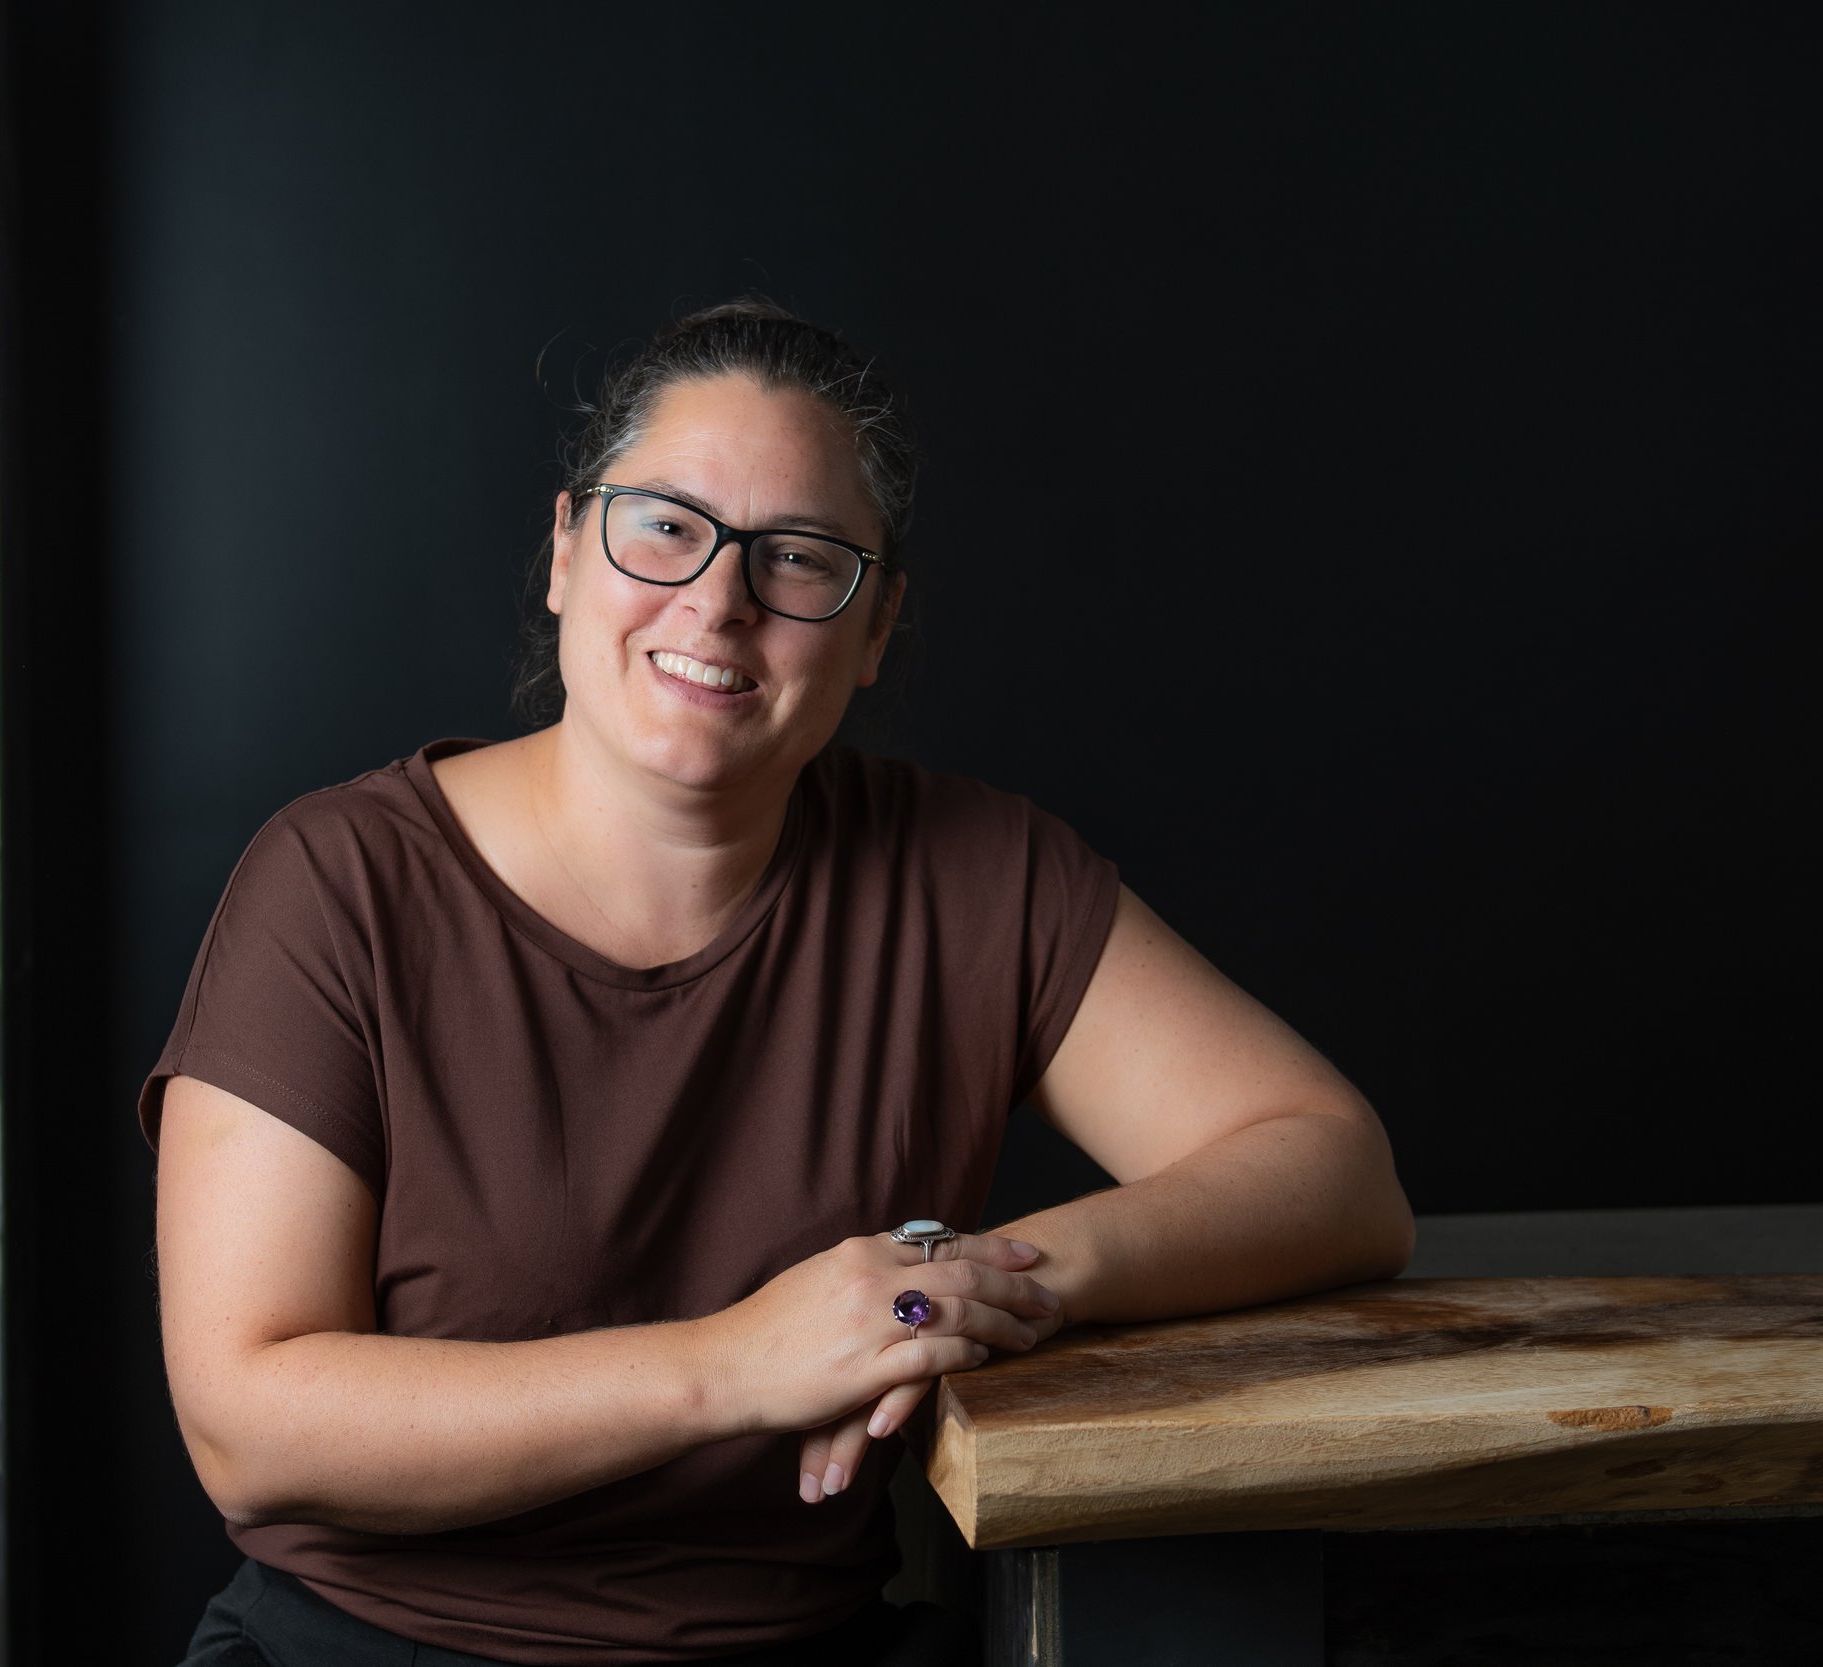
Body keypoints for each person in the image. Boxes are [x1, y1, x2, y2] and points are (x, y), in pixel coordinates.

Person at [143, 300, 1414, 1666]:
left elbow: (1335, 1172)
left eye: (799, 558)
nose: (718, 601)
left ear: (875, 632)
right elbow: (249, 1427)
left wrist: (973, 1284)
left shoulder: (975, 875)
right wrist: (736, 1365)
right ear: (567, 550)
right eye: (665, 526)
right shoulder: (339, 883)